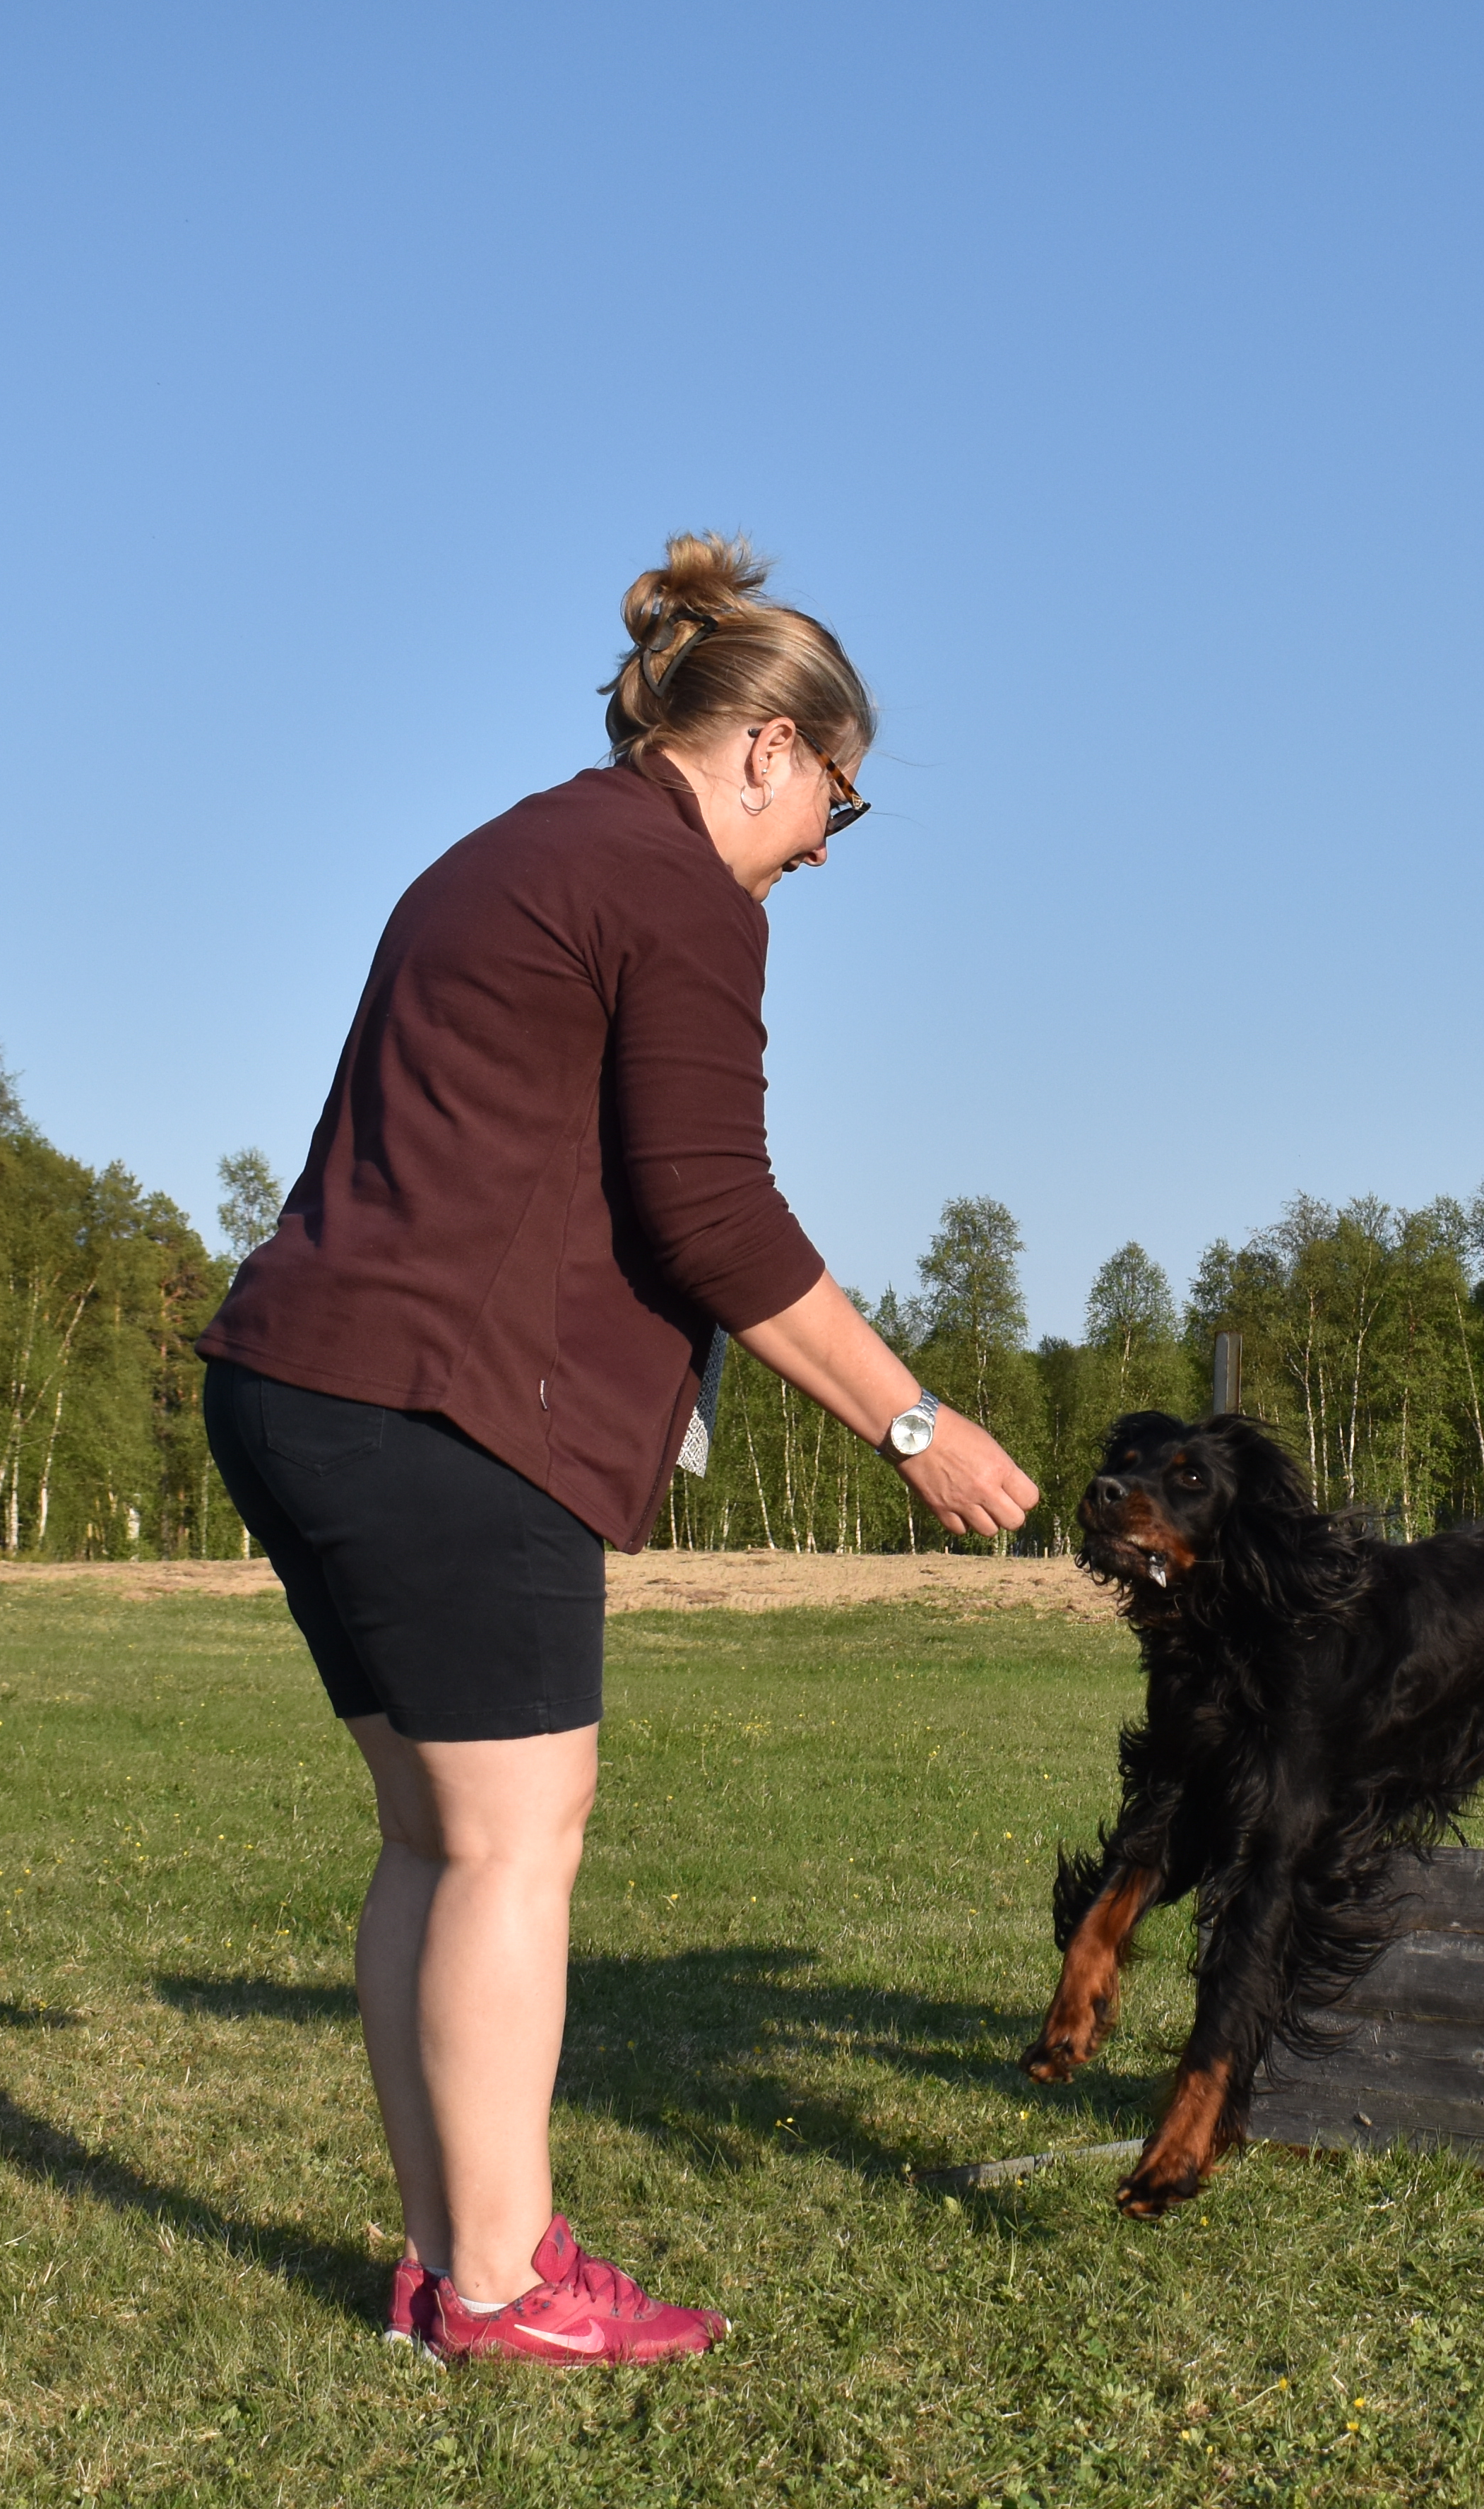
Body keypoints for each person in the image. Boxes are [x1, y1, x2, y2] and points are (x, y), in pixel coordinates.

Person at [196, 535, 1039, 2366]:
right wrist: (916, 1422)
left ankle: (449, 2265)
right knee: (518, 1844)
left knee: (436, 1839)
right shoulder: (673, 888)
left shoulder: (515, 846)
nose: (824, 843)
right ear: (767, 749)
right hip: (446, 1411)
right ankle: (503, 2285)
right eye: (839, 797)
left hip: (298, 1381)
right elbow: (710, 1216)